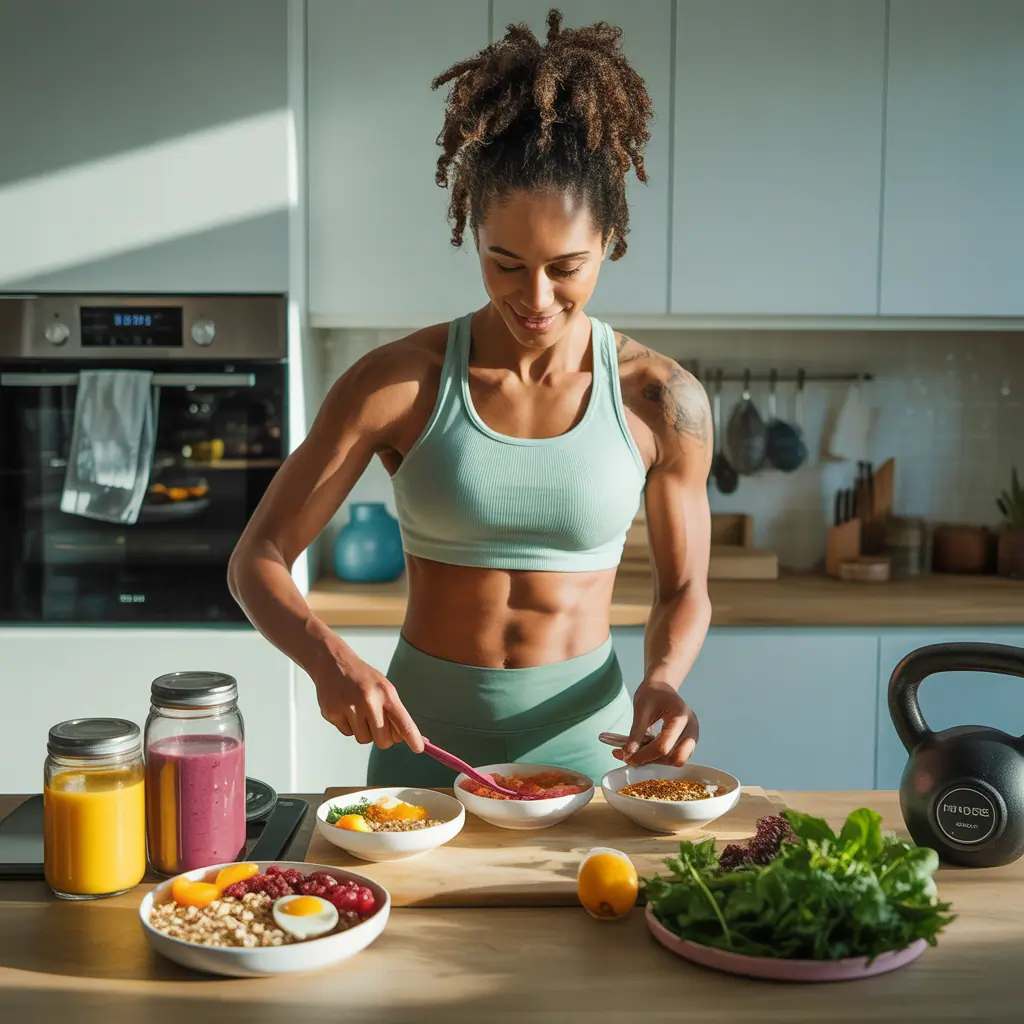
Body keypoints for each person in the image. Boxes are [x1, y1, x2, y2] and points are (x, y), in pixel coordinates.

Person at [227, 9, 713, 788]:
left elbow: (685, 590)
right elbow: (258, 558)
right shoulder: (397, 383)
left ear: (610, 240)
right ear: (473, 235)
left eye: (567, 267)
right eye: (506, 263)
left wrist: (665, 677)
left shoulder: (661, 399)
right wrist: (327, 660)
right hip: (423, 747)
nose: (537, 298)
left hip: (587, 748)